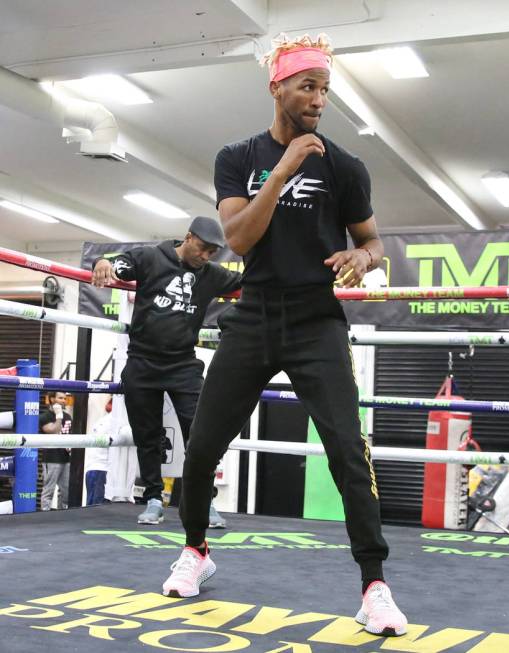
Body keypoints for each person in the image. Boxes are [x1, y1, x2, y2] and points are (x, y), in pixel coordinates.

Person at [162, 34, 407, 637]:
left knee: (350, 453)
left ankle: (374, 585)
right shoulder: (237, 157)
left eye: (324, 89)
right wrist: (284, 168)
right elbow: (239, 239)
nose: (319, 100)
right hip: (252, 316)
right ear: (277, 88)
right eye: (308, 87)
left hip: (315, 320)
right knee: (200, 450)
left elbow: (375, 241)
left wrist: (364, 259)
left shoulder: (347, 167)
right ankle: (196, 549)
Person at [91, 216, 242, 526]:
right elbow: (119, 264)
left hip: (183, 365)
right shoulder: (151, 257)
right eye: (202, 249)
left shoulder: (211, 275)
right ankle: (153, 498)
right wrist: (100, 261)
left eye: (212, 253)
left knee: (202, 433)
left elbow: (250, 282)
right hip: (143, 362)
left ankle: (202, 501)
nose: (205, 257)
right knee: (147, 436)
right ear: (188, 238)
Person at [39, 391, 72, 510]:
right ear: (52, 399)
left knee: (67, 491)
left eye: (64, 398)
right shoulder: (45, 417)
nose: (63, 401)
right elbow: (53, 430)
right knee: (49, 490)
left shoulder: (68, 417)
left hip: (66, 458)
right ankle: (45, 516)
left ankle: (62, 516)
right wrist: (58, 416)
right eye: (60, 398)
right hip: (51, 458)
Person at [85, 396, 113, 506]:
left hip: (98, 469)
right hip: (100, 469)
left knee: (95, 508)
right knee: (96, 509)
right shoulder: (110, 421)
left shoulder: (105, 420)